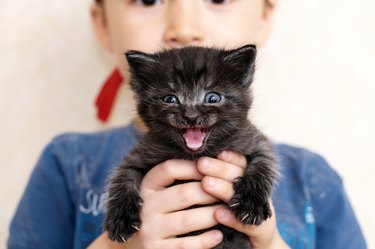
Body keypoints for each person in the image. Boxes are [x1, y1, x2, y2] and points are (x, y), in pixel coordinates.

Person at [8, 0, 367, 248]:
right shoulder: (67, 163)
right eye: (148, 0)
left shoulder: (313, 180)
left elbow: (260, 157)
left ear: (266, 15)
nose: (184, 28)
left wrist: (271, 243)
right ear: (102, 25)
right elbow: (131, 171)